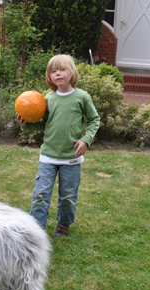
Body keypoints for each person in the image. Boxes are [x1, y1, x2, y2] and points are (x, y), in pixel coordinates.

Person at [16, 54, 100, 237]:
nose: (58, 74)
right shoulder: (47, 99)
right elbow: (43, 123)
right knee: (40, 195)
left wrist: (86, 140)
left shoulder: (82, 97)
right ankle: (37, 229)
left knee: (68, 198)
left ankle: (64, 223)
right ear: (49, 76)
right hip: (48, 157)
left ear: (72, 72)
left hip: (71, 158)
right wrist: (26, 125)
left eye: (62, 69)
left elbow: (94, 120)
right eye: (53, 71)